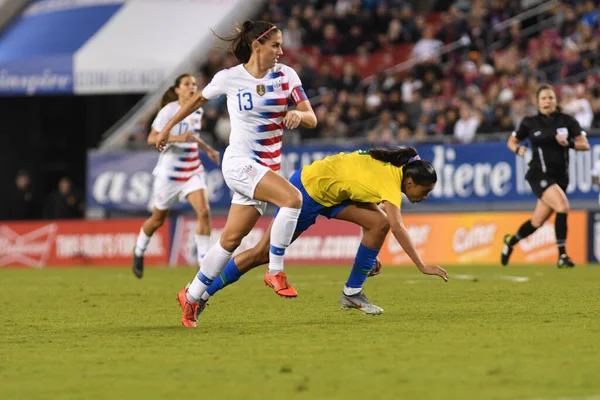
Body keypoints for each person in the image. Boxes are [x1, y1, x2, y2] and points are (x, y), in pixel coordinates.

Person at [155, 21, 317, 327]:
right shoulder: (230, 78)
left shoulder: (287, 76)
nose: (281, 51)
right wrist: (165, 128)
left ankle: (191, 296)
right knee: (292, 199)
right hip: (239, 162)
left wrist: (298, 114)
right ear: (257, 46)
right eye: (275, 45)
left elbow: (312, 118)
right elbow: (196, 100)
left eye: (281, 45)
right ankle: (275, 271)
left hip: (265, 168)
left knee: (230, 240)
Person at [188, 148, 449, 326]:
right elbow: (399, 226)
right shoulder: (391, 183)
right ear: (410, 184)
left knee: (378, 224)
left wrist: (371, 255)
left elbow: (360, 187)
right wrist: (421, 266)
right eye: (424, 192)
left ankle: (352, 292)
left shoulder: (400, 165)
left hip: (333, 192)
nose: (424, 197)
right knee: (261, 254)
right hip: (307, 192)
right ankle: (201, 294)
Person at [132, 73, 221, 278]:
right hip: (169, 176)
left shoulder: (197, 110)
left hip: (192, 171)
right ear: (177, 89)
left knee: (204, 211)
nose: (192, 87)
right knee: (157, 220)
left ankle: (203, 263)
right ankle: (139, 251)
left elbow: (193, 137)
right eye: (187, 84)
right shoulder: (168, 111)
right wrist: (178, 137)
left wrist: (207, 149)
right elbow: (151, 139)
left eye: (194, 84)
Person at [501, 83, 590, 268]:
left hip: (560, 178)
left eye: (550, 97)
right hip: (538, 174)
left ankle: (510, 241)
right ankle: (562, 256)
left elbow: (584, 144)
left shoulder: (567, 121)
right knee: (563, 205)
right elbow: (511, 141)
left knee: (537, 222)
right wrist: (517, 149)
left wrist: (569, 143)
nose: (547, 101)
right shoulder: (530, 122)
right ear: (537, 102)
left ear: (556, 100)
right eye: (543, 98)